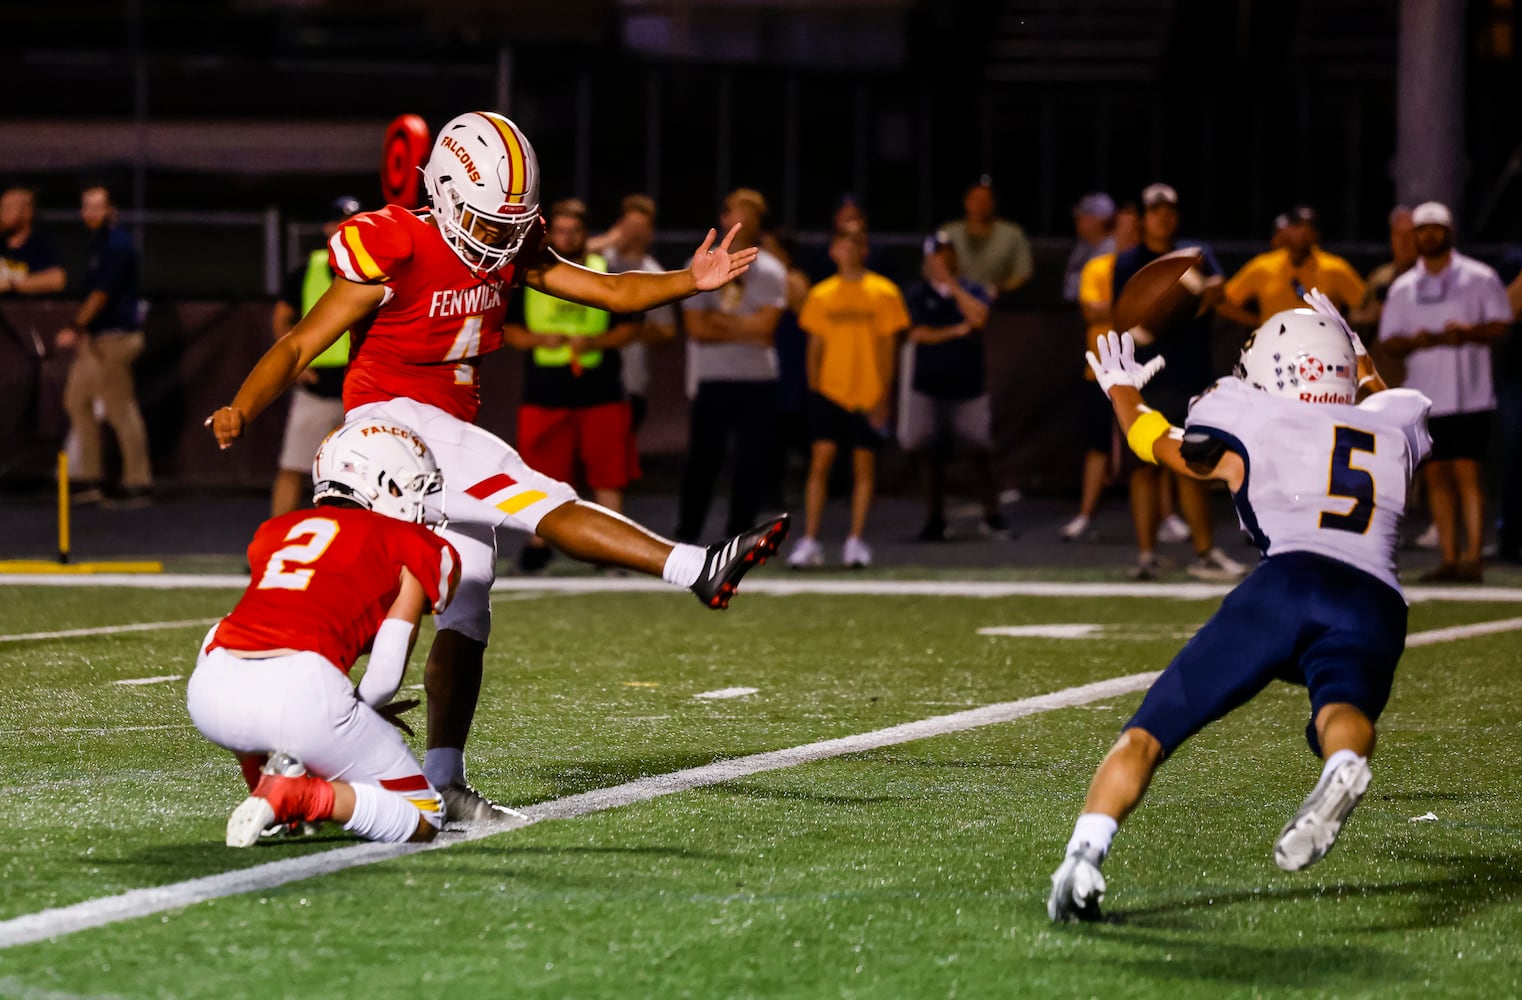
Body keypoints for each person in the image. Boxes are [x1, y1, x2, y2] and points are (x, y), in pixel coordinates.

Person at [206, 111, 789, 823]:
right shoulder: (398, 244)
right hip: (392, 427)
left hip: (444, 427)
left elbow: (609, 293)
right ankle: (695, 567)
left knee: (469, 603)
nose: (499, 241)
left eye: (510, 225)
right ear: (446, 194)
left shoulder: (507, 240)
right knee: (536, 496)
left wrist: (688, 281)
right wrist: (242, 405)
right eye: (486, 223)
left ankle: (421, 778)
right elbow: (300, 345)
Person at [1048, 298, 1431, 923]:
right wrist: (1357, 352)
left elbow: (1164, 446)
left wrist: (1121, 392)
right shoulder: (1398, 421)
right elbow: (1377, 394)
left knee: (1150, 731)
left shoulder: (1246, 412)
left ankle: (1082, 860)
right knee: (1342, 707)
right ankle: (1342, 764)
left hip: (1289, 583)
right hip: (1375, 602)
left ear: (1277, 368)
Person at [189, 418, 459, 846]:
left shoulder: (278, 530)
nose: (421, 501)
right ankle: (300, 796)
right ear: (383, 482)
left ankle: (264, 782)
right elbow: (384, 677)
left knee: (250, 656)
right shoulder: (407, 541)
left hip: (209, 692)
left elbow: (217, 636)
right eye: (414, 486)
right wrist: (355, 717)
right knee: (423, 817)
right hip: (300, 696)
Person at [1112, 183, 1245, 581]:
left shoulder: (1195, 254)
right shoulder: (1128, 261)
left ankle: (1204, 552)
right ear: (1144, 216)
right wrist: (1165, 311)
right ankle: (1146, 554)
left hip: (1190, 375)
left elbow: (1217, 291)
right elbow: (1128, 318)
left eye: (1169, 209)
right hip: (1147, 374)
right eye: (1155, 209)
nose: (1163, 216)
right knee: (1144, 466)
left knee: (1193, 462)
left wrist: (1187, 301)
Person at [505, 197, 643, 573]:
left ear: (585, 234)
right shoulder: (531, 273)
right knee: (540, 478)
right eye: (560, 231)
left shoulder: (606, 270)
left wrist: (595, 343)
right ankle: (538, 547)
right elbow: (506, 329)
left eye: (574, 231)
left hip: (601, 392)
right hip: (544, 393)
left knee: (608, 477)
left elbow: (633, 326)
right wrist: (537, 340)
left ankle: (614, 551)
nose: (566, 238)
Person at [1377, 201, 1512, 582]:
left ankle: (1472, 558)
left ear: (1449, 232)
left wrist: (1467, 333)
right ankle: (1449, 557)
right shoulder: (1404, 287)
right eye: (1423, 229)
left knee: (1468, 473)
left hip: (1471, 392)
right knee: (1436, 475)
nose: (1429, 235)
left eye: (1436, 228)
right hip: (1426, 394)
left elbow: (1501, 326)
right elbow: (1390, 341)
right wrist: (1418, 340)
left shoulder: (1479, 277)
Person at [788, 222, 909, 568]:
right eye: (842, 242)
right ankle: (810, 540)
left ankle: (855, 541)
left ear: (865, 250)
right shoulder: (822, 294)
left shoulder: (884, 292)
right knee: (820, 462)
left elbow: (889, 348)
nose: (849, 248)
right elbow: (814, 347)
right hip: (830, 391)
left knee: (863, 468)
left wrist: (883, 396)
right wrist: (814, 390)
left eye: (856, 242)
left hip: (867, 394)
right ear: (833, 250)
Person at [675, 188, 787, 542]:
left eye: (749, 215)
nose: (740, 221)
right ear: (723, 218)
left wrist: (722, 323)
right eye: (734, 213)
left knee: (751, 461)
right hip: (714, 377)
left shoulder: (769, 269)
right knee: (703, 460)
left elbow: (767, 329)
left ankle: (740, 535)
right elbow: (696, 329)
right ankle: (687, 534)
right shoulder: (700, 262)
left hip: (758, 380)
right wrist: (747, 325)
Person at [898, 230, 1007, 541]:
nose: (943, 259)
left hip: (968, 386)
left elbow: (980, 319)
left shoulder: (971, 289)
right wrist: (958, 331)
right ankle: (935, 519)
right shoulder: (917, 293)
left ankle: (993, 514)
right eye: (938, 254)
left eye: (948, 253)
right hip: (929, 386)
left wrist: (953, 286)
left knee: (979, 450)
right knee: (929, 453)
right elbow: (918, 334)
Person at [57, 183, 152, 507]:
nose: (90, 213)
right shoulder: (98, 243)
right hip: (96, 339)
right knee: (76, 400)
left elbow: (101, 294)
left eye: (97, 206)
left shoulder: (117, 244)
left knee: (119, 409)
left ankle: (138, 483)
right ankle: (91, 478)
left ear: (111, 210)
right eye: (86, 206)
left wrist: (75, 325)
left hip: (117, 339)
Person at [270, 195, 363, 519]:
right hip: (318, 387)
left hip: (361, 390)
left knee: (362, 478)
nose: (345, 228)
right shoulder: (309, 270)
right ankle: (275, 543)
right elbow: (281, 317)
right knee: (294, 466)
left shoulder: (376, 268)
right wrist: (298, 367)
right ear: (328, 227)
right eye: (340, 222)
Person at [1062, 202, 1139, 542]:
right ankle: (1085, 513)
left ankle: (1165, 516)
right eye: (1120, 228)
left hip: (1141, 371)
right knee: (1097, 445)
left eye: (1133, 229)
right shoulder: (1098, 267)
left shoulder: (1147, 268)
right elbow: (1092, 312)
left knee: (1149, 447)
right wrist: (1131, 306)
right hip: (1102, 371)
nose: (1126, 235)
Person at [593, 193, 678, 432]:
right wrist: (608, 239)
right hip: (584, 376)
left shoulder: (654, 274)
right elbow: (568, 254)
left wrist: (630, 332)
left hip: (628, 381)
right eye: (628, 226)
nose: (632, 233)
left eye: (640, 227)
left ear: (650, 233)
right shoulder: (598, 261)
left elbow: (667, 332)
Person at [1218, 205, 1365, 328]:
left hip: (1322, 348)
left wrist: (1345, 328)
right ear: (1286, 229)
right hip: (1274, 347)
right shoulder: (1263, 266)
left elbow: (1364, 306)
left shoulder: (1335, 268)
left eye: (1309, 226)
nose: (1303, 231)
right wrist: (1257, 323)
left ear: (1316, 233)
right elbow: (1224, 302)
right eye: (1297, 225)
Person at [939, 176, 1033, 301]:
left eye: (985, 200)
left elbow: (1023, 273)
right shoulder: (948, 232)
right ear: (966, 201)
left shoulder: (1012, 234)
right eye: (975, 199)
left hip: (1000, 304)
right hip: (953, 301)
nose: (979, 205)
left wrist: (999, 290)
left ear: (994, 203)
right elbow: (932, 270)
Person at [1350, 206, 1417, 336]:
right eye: (1398, 235)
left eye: (1410, 235)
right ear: (1391, 239)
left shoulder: (1430, 279)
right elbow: (1354, 319)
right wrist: (1370, 316)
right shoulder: (1379, 277)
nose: (1404, 242)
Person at [0, 185, 66, 296]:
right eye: (1, 208)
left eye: (8, 208)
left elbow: (57, 279)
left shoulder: (40, 244)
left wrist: (11, 284)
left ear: (27, 212)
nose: (2, 213)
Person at [1061, 192, 1116, 305]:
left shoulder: (1112, 248)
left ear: (1100, 220)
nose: (1078, 221)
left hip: (1096, 309)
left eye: (1084, 217)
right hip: (1073, 308)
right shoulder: (1082, 246)